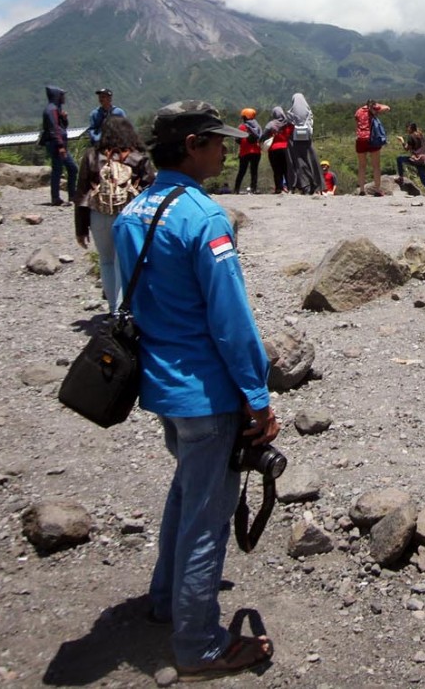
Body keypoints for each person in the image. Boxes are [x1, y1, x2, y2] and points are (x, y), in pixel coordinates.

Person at [111, 100, 279, 680]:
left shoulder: (136, 210)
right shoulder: (205, 218)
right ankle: (200, 645)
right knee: (208, 515)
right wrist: (257, 394)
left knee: (186, 494)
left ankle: (166, 598)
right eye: (215, 140)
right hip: (207, 391)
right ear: (190, 145)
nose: (225, 148)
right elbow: (230, 319)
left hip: (160, 385)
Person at [73, 115, 155, 311]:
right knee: (123, 262)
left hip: (99, 214)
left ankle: (113, 309)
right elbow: (151, 189)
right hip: (129, 215)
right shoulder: (138, 157)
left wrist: (80, 228)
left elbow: (82, 193)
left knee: (107, 261)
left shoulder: (92, 156)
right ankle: (125, 310)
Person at [41, 85, 77, 206]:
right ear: (57, 96)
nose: (63, 97)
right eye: (62, 95)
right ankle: (56, 197)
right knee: (58, 169)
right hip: (56, 144)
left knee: (72, 168)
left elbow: (62, 127)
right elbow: (54, 129)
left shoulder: (56, 109)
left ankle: (72, 195)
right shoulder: (52, 110)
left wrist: (64, 119)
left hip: (59, 144)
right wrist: (60, 145)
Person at [286, 92, 322, 194]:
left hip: (295, 142)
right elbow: (311, 124)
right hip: (307, 141)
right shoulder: (308, 112)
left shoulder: (290, 114)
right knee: (311, 162)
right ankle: (315, 185)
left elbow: (288, 126)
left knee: (299, 164)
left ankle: (304, 185)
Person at [353, 99, 390, 195]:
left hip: (360, 140)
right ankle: (377, 190)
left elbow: (356, 124)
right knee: (376, 166)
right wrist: (378, 105)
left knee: (361, 166)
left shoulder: (359, 111)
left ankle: (361, 189)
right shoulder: (375, 109)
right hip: (373, 139)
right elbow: (387, 108)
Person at [395, 122, 425, 195]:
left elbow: (406, 149)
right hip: (423, 160)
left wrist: (402, 141)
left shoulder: (411, 136)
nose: (407, 129)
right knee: (424, 180)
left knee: (399, 159)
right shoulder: (421, 135)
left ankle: (401, 178)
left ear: (410, 128)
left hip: (416, 160)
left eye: (408, 127)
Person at [260, 106, 293, 194]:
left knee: (277, 170)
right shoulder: (288, 123)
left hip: (274, 149)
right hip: (286, 149)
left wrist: (261, 141)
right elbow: (292, 133)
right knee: (286, 169)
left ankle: (279, 188)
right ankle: (290, 188)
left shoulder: (271, 124)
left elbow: (263, 135)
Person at [234, 108, 262, 193]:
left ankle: (236, 189)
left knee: (241, 171)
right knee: (254, 171)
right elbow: (261, 137)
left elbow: (237, 139)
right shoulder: (257, 127)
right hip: (256, 152)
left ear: (245, 117)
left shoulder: (242, 127)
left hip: (244, 152)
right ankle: (253, 189)